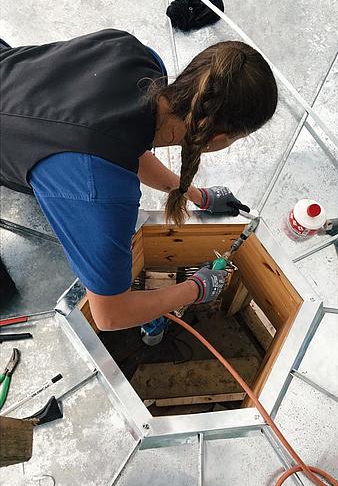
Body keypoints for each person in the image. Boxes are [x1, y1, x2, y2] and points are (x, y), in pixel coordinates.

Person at [0, 29, 277, 330]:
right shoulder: (99, 191)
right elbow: (110, 315)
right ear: (219, 138)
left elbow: (119, 143)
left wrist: (196, 195)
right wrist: (196, 289)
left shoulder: (133, 54)